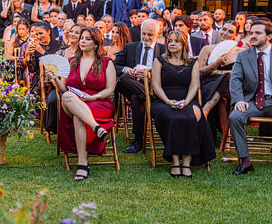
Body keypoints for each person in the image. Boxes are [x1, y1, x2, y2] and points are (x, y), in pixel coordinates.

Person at [47, 27, 116, 181]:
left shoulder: (106, 62)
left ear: (96, 43)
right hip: (73, 101)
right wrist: (55, 79)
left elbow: (110, 89)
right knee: (68, 96)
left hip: (99, 102)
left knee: (79, 117)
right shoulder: (71, 62)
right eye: (82, 38)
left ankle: (82, 164)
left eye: (87, 39)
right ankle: (97, 128)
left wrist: (93, 97)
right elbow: (64, 89)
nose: (82, 41)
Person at [150, 30, 216, 177]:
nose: (172, 44)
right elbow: (156, 86)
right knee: (173, 118)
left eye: (176, 41)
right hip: (163, 100)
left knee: (190, 118)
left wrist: (186, 101)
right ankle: (174, 161)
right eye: (170, 41)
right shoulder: (159, 61)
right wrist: (167, 101)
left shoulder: (192, 62)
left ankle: (186, 162)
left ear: (183, 44)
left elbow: (194, 86)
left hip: (187, 99)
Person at [113, 19, 165, 153]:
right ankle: (151, 97)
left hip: (151, 84)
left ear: (158, 33)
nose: (146, 37)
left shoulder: (163, 50)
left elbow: (167, 72)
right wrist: (126, 69)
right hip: (130, 83)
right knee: (124, 78)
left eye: (150, 34)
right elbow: (114, 66)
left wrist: (149, 74)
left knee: (136, 98)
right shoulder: (130, 47)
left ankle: (138, 141)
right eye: (144, 34)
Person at [228, 19, 272, 175]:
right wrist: (239, 99)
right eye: (251, 32)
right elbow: (236, 79)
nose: (252, 36)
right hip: (254, 101)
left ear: (269, 36)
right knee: (235, 117)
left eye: (258, 33)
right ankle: (245, 162)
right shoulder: (243, 56)